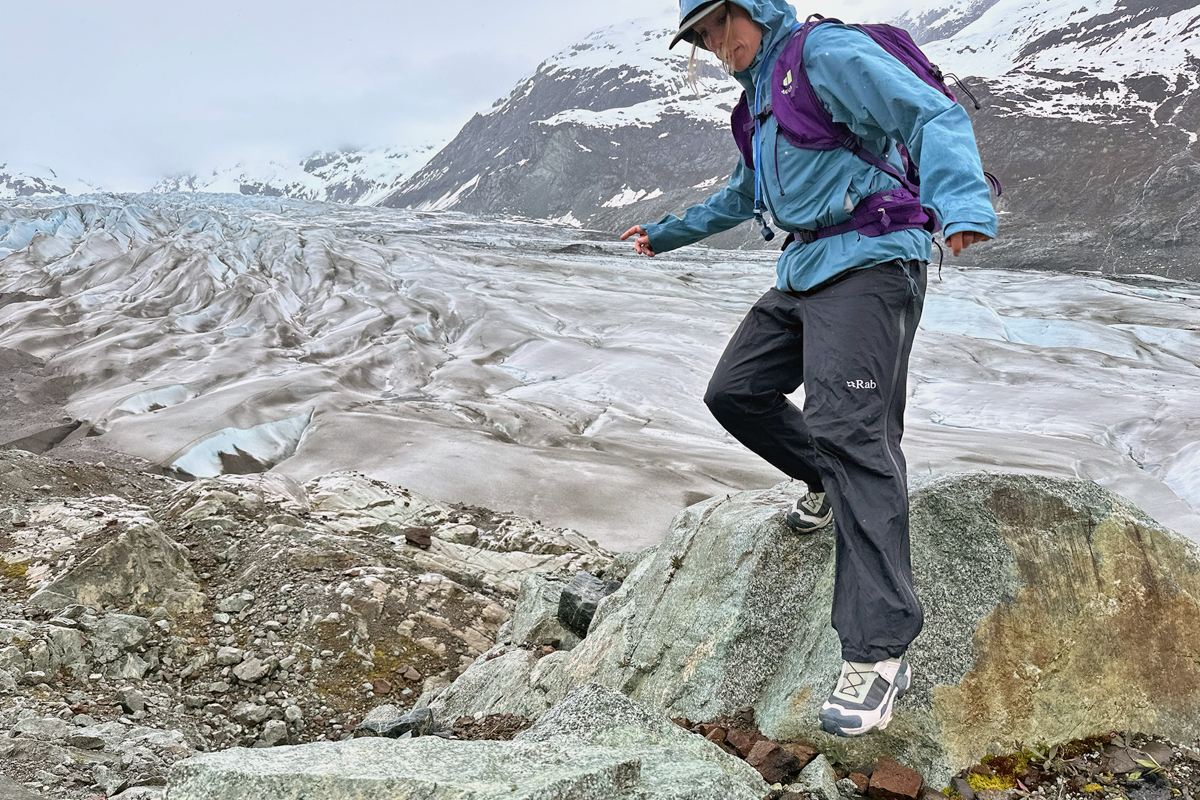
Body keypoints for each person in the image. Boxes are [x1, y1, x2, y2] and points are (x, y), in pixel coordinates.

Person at [621, 0, 997, 737]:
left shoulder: (821, 57)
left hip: (870, 260)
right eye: (699, 35)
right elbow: (741, 196)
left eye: (718, 25)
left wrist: (959, 204)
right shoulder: (760, 97)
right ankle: (821, 479)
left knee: (855, 437)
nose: (713, 42)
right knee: (735, 391)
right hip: (807, 265)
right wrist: (665, 236)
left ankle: (880, 653)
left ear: (754, 9)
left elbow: (931, 116)